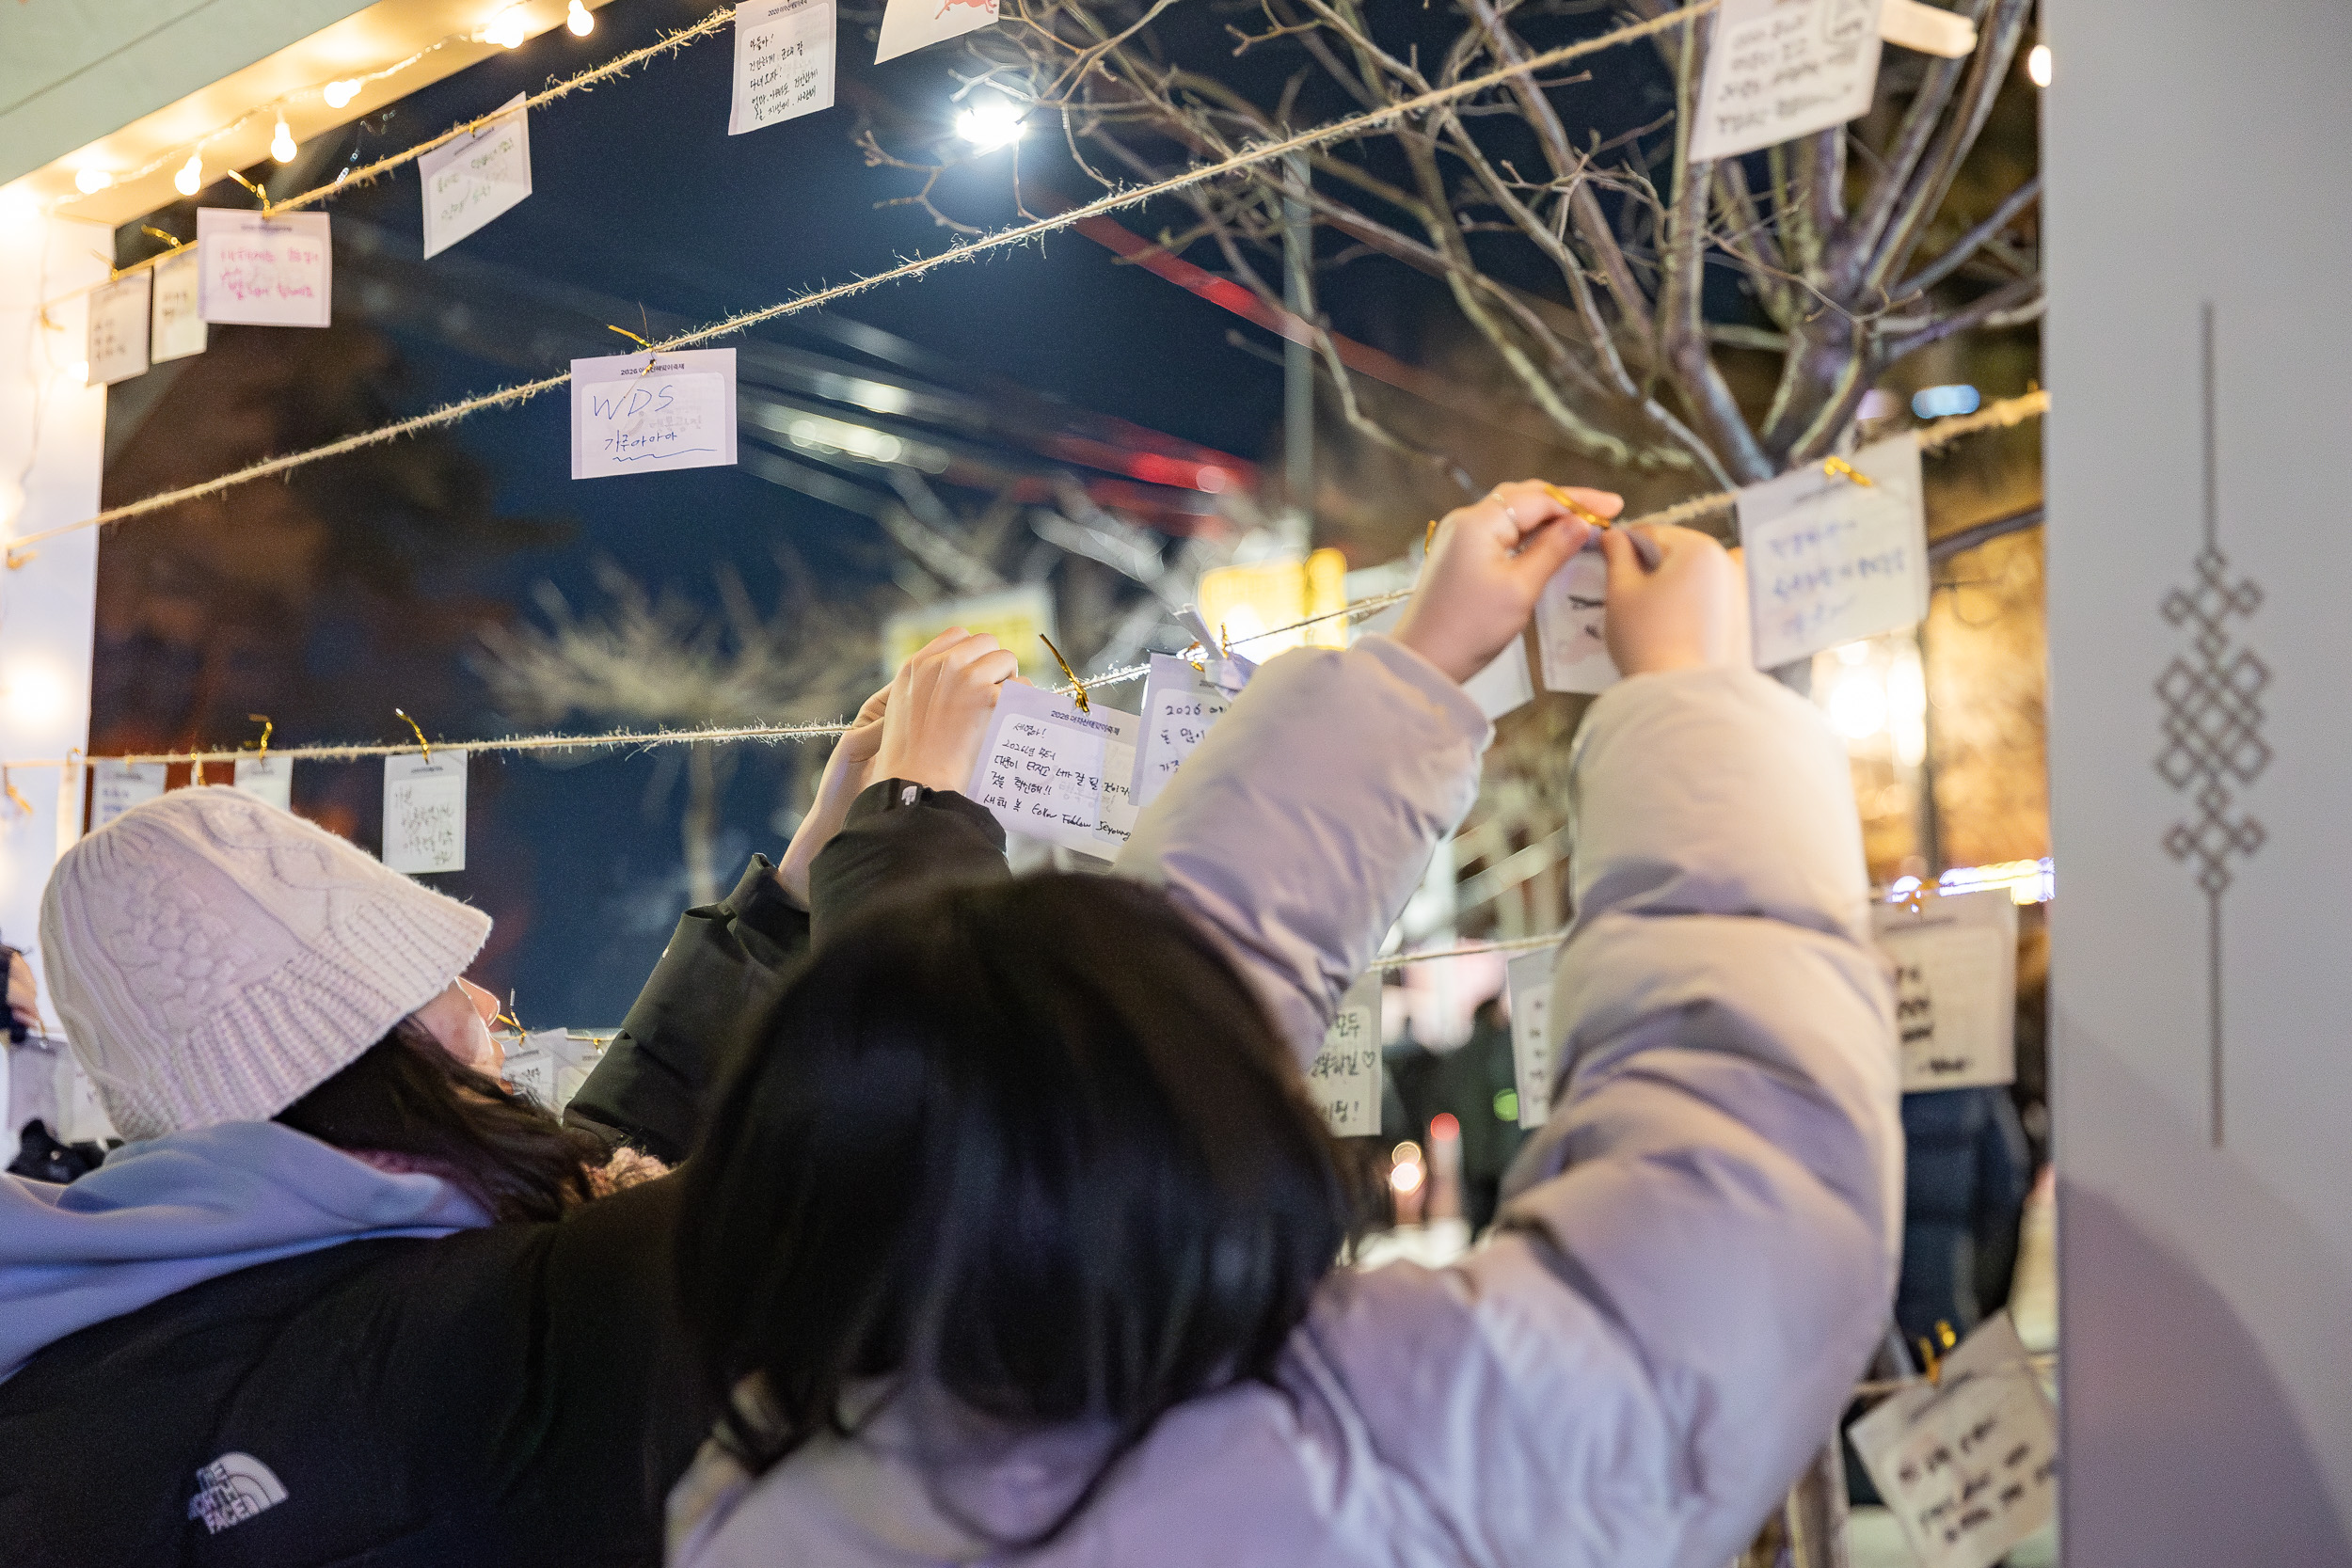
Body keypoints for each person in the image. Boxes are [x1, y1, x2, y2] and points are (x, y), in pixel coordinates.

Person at [667, 484, 1902, 1567]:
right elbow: (1737, 1203)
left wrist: (1416, 665)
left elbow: (1122, 1022)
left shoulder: (754, 1501)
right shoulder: (1367, 1449)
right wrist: (1695, 701)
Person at [0, 632, 1022, 1566]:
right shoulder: (436, 1350)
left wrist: (780, 912)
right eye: (437, 985)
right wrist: (914, 823)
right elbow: (904, 1174)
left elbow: (586, 1199)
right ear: (368, 1051)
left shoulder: (161, 1311)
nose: (485, 999)